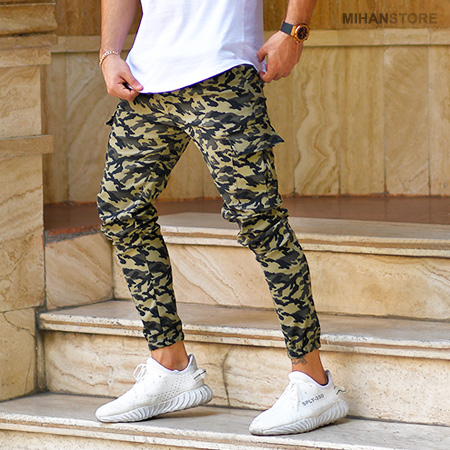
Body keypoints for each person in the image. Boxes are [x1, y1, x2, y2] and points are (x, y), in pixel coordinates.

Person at [95, 0, 349, 436]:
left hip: (223, 75)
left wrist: (295, 31)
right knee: (120, 213)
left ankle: (313, 381)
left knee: (260, 222)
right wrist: (109, 52)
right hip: (145, 81)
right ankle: (169, 363)